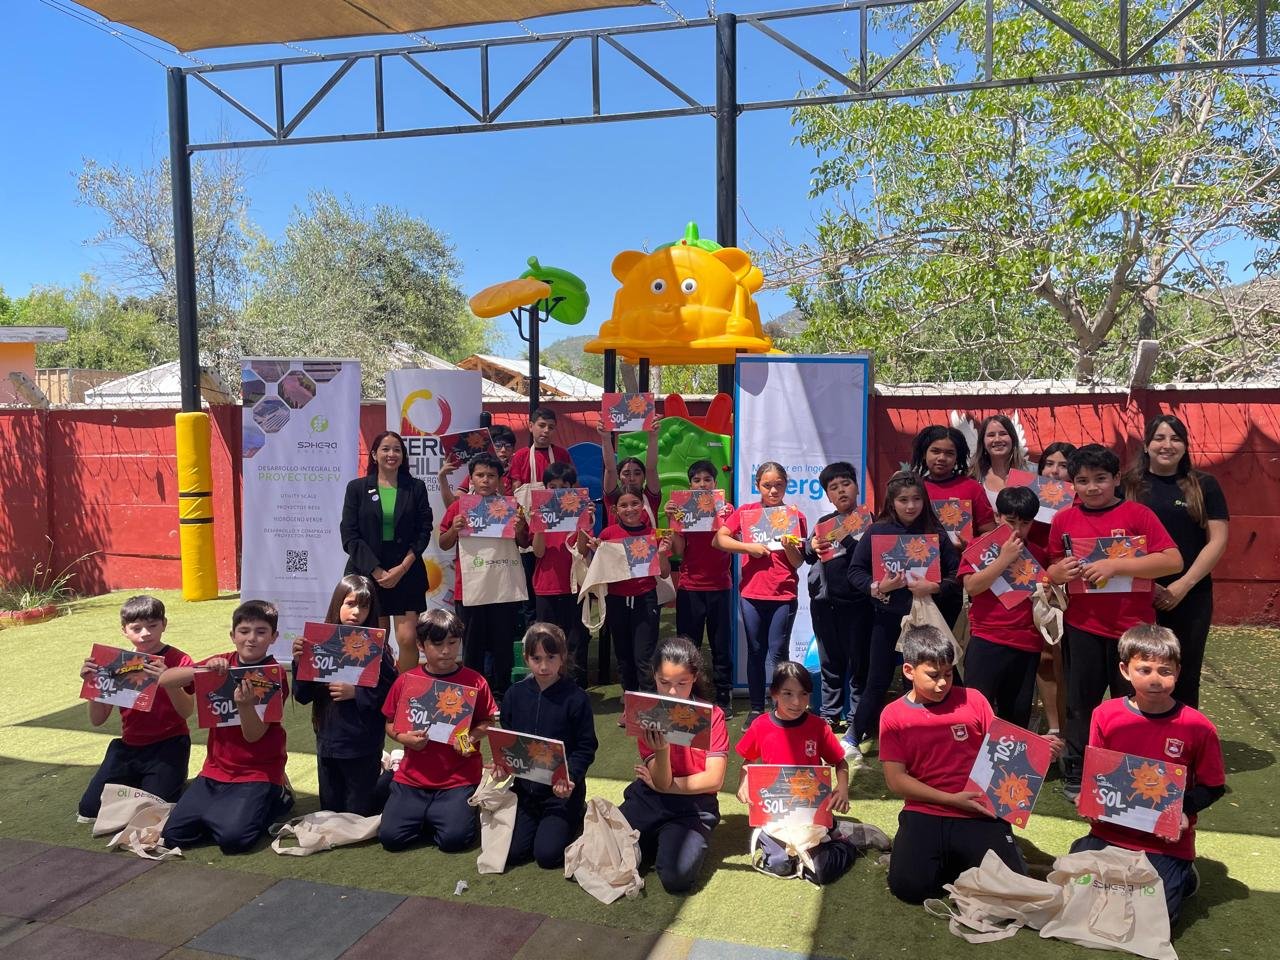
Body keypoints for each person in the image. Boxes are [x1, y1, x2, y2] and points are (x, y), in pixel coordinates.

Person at [880, 625, 1060, 903]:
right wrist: (951, 799)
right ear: (908, 671)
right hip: (926, 811)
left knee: (1011, 890)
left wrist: (1040, 749)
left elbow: (1004, 750)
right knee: (908, 888)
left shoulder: (974, 699)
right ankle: (954, 861)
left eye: (949, 674)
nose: (942, 683)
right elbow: (896, 780)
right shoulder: (893, 714)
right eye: (933, 675)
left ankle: (963, 860)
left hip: (978, 809)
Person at [1046, 444, 1182, 800]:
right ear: (1072, 483)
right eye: (1083, 481)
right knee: (1080, 702)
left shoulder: (1139, 514)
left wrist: (1114, 565)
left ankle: (1131, 768)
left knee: (1133, 702)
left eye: (1100, 479)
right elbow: (1051, 568)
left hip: (1133, 630)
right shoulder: (1064, 520)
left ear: (1116, 479)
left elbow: (1172, 561)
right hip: (1083, 626)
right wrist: (1057, 571)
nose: (1092, 488)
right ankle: (1077, 769)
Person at [1069, 624, 1225, 926]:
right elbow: (1099, 771)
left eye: (1165, 671)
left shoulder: (1198, 726)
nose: (1155, 679)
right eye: (1145, 669)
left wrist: (1182, 809)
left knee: (1151, 922)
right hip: (1110, 832)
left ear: (1178, 672)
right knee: (1075, 902)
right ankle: (1085, 848)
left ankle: (1182, 875)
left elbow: (1214, 786)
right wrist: (1088, 799)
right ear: (1125, 670)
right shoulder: (1105, 714)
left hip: (1164, 841)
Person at [160, 601, 293, 855]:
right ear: (233, 635)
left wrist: (245, 705)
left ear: (274, 637)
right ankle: (225, 811)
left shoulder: (273, 676)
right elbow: (165, 680)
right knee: (173, 835)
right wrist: (201, 669)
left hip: (259, 771)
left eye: (261, 632)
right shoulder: (221, 661)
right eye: (244, 631)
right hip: (215, 770)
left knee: (234, 841)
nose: (251, 638)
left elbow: (254, 736)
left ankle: (279, 797)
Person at [847, 471, 960, 764]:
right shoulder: (877, 531)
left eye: (916, 499)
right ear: (891, 501)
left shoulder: (936, 532)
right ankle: (853, 737)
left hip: (928, 622)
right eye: (903, 500)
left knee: (937, 677)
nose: (910, 506)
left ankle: (941, 732)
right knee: (878, 679)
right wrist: (879, 587)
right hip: (887, 619)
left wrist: (932, 587)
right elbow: (855, 572)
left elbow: (956, 575)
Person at [1123, 415, 1229, 709]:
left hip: (1191, 595)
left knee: (1183, 670)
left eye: (1175, 438)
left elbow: (1217, 541)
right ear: (1146, 445)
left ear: (1185, 446)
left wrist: (1182, 585)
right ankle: (1137, 734)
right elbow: (1114, 543)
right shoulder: (1127, 485)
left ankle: (1181, 742)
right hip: (1137, 594)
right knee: (1136, 669)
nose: (1167, 445)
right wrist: (1147, 582)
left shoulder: (1204, 485)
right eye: (1159, 438)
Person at [619, 636, 728, 894]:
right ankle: (654, 840)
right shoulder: (646, 712)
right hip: (650, 798)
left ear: (694, 678)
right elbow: (658, 780)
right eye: (664, 683)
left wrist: (670, 788)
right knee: (604, 846)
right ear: (654, 676)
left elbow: (713, 780)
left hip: (694, 806)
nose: (672, 692)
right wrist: (662, 750)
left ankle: (662, 842)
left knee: (675, 878)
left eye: (682, 683)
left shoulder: (712, 716)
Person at [379, 610, 496, 852]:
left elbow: (488, 722)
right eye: (438, 643)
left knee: (454, 841)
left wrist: (470, 737)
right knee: (391, 838)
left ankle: (444, 814)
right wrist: (404, 738)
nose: (446, 650)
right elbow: (389, 723)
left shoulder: (475, 681)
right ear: (421, 645)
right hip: (413, 777)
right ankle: (427, 813)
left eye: (453, 643)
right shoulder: (406, 681)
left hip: (459, 777)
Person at [735, 662, 858, 885]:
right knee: (780, 865)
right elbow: (747, 761)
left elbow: (840, 763)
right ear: (774, 694)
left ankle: (846, 842)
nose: (796, 702)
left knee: (819, 872)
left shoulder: (818, 727)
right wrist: (744, 782)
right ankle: (830, 833)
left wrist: (842, 788)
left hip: (810, 814)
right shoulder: (761, 725)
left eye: (804, 694)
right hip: (775, 814)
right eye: (788, 693)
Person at [77, 595, 194, 819]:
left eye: (152, 626)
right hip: (129, 746)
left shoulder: (179, 660)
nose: (145, 633)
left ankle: (170, 780)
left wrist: (167, 680)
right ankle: (144, 782)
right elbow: (97, 719)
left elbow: (187, 712)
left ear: (164, 624)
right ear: (125, 630)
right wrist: (92, 684)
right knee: (89, 810)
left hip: (169, 744)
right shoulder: (116, 662)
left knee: (155, 811)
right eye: (136, 628)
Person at [291, 575, 396, 815]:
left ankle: (391, 775)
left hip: (364, 744)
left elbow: (393, 696)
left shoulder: (379, 650)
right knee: (331, 811)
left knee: (360, 814)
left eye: (364, 606)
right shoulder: (318, 643)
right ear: (338, 604)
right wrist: (300, 662)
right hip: (328, 743)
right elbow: (303, 695)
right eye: (350, 604)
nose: (356, 612)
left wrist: (357, 693)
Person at [499, 623, 598, 870]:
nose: (544, 666)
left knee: (547, 855)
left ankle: (576, 815)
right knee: (512, 853)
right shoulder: (514, 695)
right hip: (525, 791)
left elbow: (586, 747)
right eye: (536, 658)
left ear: (562, 657)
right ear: (526, 658)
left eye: (551, 657)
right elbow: (508, 740)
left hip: (561, 793)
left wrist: (571, 777)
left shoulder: (576, 698)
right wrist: (503, 765)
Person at [714, 462, 807, 724]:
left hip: (784, 594)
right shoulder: (747, 512)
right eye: (767, 485)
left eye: (779, 484)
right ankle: (756, 709)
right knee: (755, 651)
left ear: (786, 485)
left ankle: (782, 705)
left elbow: (798, 561)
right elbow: (719, 539)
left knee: (778, 653)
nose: (773, 490)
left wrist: (789, 545)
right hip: (752, 594)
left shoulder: (794, 516)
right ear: (757, 486)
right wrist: (748, 548)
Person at [438, 452, 530, 699]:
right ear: (471, 479)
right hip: (469, 588)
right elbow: (443, 543)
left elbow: (523, 542)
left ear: (500, 479)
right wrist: (455, 530)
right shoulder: (459, 507)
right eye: (480, 475)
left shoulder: (512, 506)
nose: (486, 480)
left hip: (503, 587)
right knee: (472, 646)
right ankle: (473, 694)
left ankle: (501, 694)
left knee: (502, 645)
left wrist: (521, 528)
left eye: (491, 475)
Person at [341, 430, 432, 673]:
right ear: (374, 454)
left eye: (397, 450)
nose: (391, 454)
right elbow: (349, 535)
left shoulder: (416, 487)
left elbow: (424, 530)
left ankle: (403, 694)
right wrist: (376, 571)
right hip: (368, 572)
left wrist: (402, 568)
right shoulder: (357, 488)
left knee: (408, 639)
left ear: (403, 456)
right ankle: (375, 694)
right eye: (385, 449)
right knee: (375, 640)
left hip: (407, 571)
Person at [959, 486, 1049, 728]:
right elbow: (972, 587)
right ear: (997, 517)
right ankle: (971, 762)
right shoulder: (979, 547)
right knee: (978, 711)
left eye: (1025, 523)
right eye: (1010, 521)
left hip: (1026, 644)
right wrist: (1004, 559)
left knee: (1016, 715)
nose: (1017, 530)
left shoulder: (1039, 554)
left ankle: (1010, 765)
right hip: (987, 639)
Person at [804, 461, 873, 730]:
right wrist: (811, 544)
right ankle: (829, 716)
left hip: (859, 605)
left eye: (846, 484)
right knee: (829, 662)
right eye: (834, 488)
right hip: (825, 605)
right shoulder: (823, 523)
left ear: (857, 487)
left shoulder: (871, 521)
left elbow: (868, 558)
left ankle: (857, 717)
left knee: (859, 664)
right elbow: (809, 556)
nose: (841, 491)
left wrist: (843, 537)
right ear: (827, 495)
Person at [582, 489, 673, 694]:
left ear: (643, 507)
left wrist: (661, 553)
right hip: (617, 600)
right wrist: (599, 551)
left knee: (644, 655)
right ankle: (630, 699)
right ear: (615, 510)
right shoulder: (608, 534)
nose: (630, 509)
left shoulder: (652, 534)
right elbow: (602, 570)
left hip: (645, 599)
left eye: (634, 504)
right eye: (623, 505)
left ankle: (649, 701)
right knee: (623, 655)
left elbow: (665, 573)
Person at [667, 459, 735, 715]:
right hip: (690, 587)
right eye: (697, 480)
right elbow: (678, 551)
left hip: (720, 586)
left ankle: (723, 696)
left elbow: (732, 541)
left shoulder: (727, 509)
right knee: (688, 645)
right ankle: (689, 695)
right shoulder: (682, 511)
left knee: (721, 644)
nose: (703, 484)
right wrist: (674, 521)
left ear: (716, 484)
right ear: (690, 485)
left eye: (708, 480)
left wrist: (724, 518)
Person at [530, 461, 594, 686]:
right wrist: (538, 524)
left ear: (572, 487)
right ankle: (548, 681)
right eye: (552, 486)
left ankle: (576, 684)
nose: (558, 491)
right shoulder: (540, 515)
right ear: (546, 488)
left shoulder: (578, 513)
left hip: (574, 586)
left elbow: (584, 550)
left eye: (563, 486)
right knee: (546, 639)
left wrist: (585, 523)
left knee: (576, 639)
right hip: (546, 587)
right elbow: (538, 553)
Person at [1032, 441, 1077, 734]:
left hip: (1076, 591)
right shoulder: (1030, 504)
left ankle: (1072, 726)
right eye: (1049, 464)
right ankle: (1054, 729)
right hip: (1036, 587)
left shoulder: (1082, 506)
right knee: (1045, 659)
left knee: (1068, 663)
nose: (1055, 471)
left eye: (1063, 465)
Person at [910, 424, 997, 543]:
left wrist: (970, 546)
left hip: (963, 560)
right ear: (924, 454)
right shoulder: (913, 488)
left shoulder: (972, 488)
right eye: (935, 451)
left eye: (949, 453)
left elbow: (989, 532)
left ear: (957, 457)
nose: (941, 458)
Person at [599, 419, 661, 526]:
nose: (632, 478)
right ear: (618, 477)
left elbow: (651, 469)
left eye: (637, 473)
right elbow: (610, 469)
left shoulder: (651, 499)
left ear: (644, 477)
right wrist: (605, 437)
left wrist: (653, 436)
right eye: (626, 474)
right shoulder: (612, 498)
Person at [440, 424, 518, 505]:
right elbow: (453, 505)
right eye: (498, 445)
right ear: (489, 446)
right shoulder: (477, 474)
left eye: (508, 446)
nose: (503, 450)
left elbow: (512, 508)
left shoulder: (515, 473)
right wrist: (442, 477)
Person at [972, 414, 1028, 506]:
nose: (997, 439)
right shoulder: (973, 476)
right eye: (991, 435)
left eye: (1003, 434)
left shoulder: (1033, 471)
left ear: (1012, 438)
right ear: (983, 442)